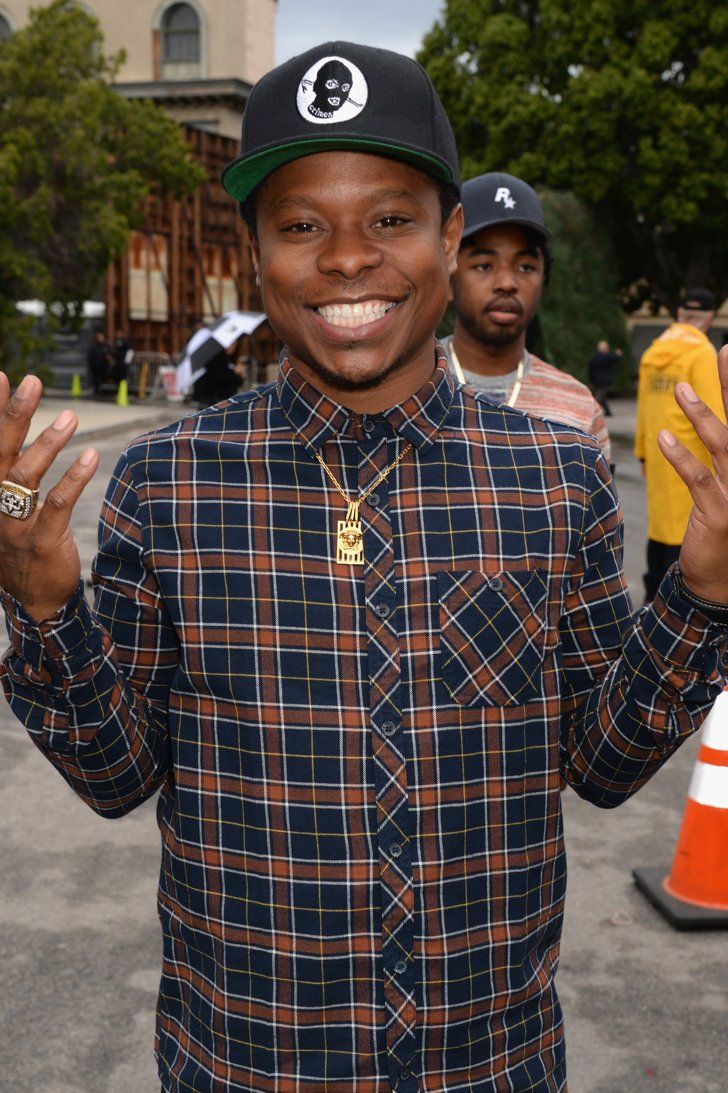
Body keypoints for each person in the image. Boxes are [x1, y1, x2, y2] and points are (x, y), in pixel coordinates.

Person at [0, 41, 727, 1093]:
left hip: (490, 1062)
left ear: (449, 238)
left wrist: (700, 590)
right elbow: (115, 776)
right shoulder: (168, 480)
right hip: (242, 1060)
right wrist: (43, 603)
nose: (346, 258)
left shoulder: (553, 474)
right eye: (301, 225)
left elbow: (603, 764)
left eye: (389, 218)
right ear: (255, 254)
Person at [444, 172, 612, 464]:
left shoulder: (579, 408)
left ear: (544, 279)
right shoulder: (405, 389)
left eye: (525, 267)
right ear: (447, 277)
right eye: (484, 265)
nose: (507, 282)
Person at [635, 287, 725, 602]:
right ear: (710, 318)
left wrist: (643, 455)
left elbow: (643, 409)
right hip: (693, 464)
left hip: (660, 459)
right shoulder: (701, 354)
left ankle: (650, 603)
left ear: (679, 315)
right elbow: (714, 415)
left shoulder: (652, 353)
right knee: (689, 537)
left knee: (659, 531)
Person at [588, 339, 623, 416]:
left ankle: (607, 412)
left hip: (596, 380)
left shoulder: (594, 358)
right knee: (599, 397)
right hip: (604, 381)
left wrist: (591, 381)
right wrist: (618, 354)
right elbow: (616, 358)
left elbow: (590, 370)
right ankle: (592, 412)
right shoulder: (607, 357)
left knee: (601, 396)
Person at [86, 329, 112, 397]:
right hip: (96, 367)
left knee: (104, 380)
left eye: (102, 336)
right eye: (99, 336)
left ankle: (104, 393)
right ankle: (96, 393)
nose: (101, 338)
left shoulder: (106, 345)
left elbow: (109, 355)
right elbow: (90, 357)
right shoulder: (93, 346)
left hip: (104, 367)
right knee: (96, 380)